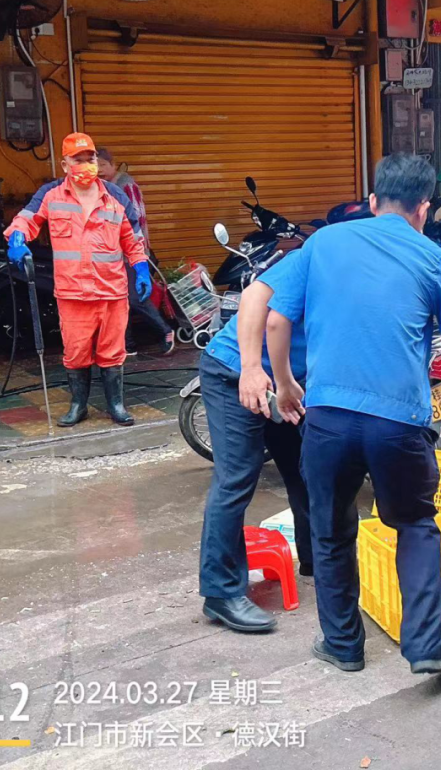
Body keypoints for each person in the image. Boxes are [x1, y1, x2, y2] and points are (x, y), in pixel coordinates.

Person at [265, 154, 441, 676]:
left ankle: (343, 646)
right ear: (424, 208)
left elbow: (275, 320)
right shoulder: (435, 260)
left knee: (332, 531)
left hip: (328, 416)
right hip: (399, 422)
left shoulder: (325, 242)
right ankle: (425, 646)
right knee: (416, 526)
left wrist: (288, 386)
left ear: (373, 202)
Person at [197, 252, 311, 633]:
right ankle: (221, 593)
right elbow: (253, 299)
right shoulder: (314, 257)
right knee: (236, 478)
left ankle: (317, 561)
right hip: (237, 373)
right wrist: (250, 368)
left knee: (308, 469)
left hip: (289, 381)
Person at [4, 132, 151, 427]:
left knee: (113, 351)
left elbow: (132, 238)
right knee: (76, 352)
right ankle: (78, 405)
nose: (85, 165)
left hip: (111, 291)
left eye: (90, 158)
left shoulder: (116, 196)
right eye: (78, 160)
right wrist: (18, 236)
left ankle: (116, 405)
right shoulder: (51, 194)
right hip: (72, 293)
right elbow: (28, 218)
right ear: (64, 163)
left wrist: (142, 267)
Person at [97, 148, 175, 357]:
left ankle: (165, 331)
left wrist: (136, 252)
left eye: (103, 165)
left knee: (133, 297)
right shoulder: (102, 188)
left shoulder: (126, 186)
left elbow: (135, 221)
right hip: (110, 254)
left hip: (130, 252)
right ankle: (127, 343)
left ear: (113, 165)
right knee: (117, 299)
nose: (99, 170)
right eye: (95, 166)